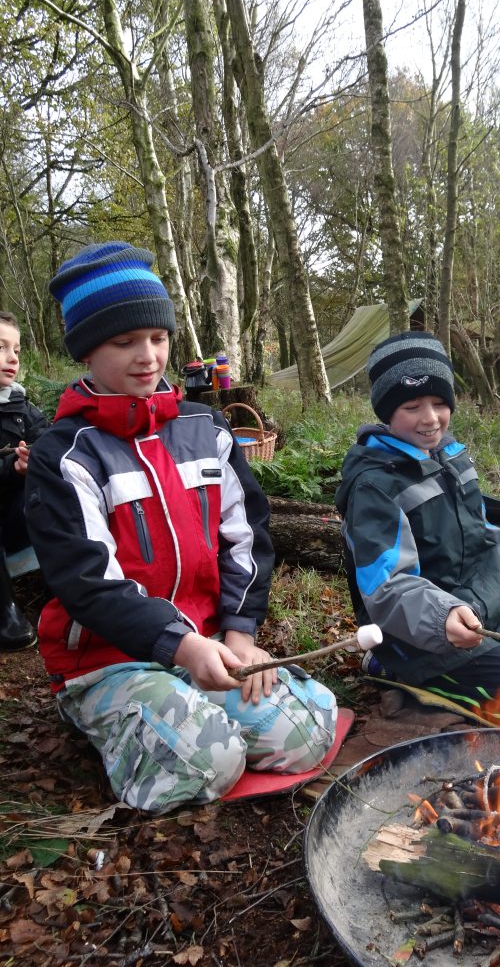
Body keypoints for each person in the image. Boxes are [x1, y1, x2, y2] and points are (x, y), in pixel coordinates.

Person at [25, 241, 337, 813]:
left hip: (210, 641)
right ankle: (117, 721)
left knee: (306, 732)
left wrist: (239, 632)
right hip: (107, 660)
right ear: (87, 352)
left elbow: (246, 535)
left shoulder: (206, 429)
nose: (147, 356)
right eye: (124, 342)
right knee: (211, 763)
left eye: (158, 338)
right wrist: (178, 645)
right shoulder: (64, 456)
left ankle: (184, 717)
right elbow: (87, 582)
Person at [335, 330, 500, 727]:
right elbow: (385, 586)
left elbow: (488, 546)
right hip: (422, 638)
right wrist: (442, 617)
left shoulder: (452, 460)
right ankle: (390, 667)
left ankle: (487, 659)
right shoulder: (374, 486)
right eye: (412, 406)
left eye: (439, 402)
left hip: (484, 621)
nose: (430, 418)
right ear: (386, 412)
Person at [0, 311, 47, 651]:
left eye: (15, 348)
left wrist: (37, 459)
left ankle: (77, 593)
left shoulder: (22, 405)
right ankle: (5, 611)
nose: (12, 357)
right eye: (1, 347)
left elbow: (49, 439)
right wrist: (10, 468)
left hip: (18, 513)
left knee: (55, 495)